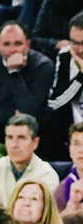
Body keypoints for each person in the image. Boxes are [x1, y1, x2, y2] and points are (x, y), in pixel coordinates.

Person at [0, 113, 60, 205]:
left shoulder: (47, 176)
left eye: (21, 138)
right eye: (10, 138)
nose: (14, 145)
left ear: (35, 143)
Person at [45, 11, 83, 161]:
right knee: (47, 121)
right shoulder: (66, 56)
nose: (79, 50)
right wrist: (81, 75)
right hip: (73, 123)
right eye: (75, 42)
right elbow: (54, 103)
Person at [56, 122, 83, 215]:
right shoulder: (61, 189)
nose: (81, 150)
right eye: (76, 144)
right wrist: (72, 205)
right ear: (70, 149)